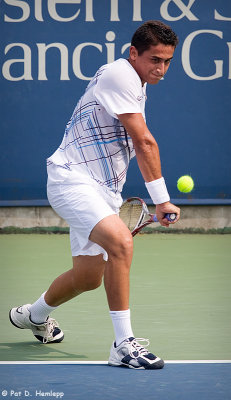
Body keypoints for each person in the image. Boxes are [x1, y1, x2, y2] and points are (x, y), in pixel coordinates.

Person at [10, 20, 180, 370]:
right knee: (121, 243)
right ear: (134, 53)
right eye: (154, 59)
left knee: (88, 277)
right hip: (71, 179)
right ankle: (123, 345)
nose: (161, 69)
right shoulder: (120, 75)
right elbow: (144, 141)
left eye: (166, 61)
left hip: (103, 192)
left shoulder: (137, 84)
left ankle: (33, 315)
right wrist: (162, 199)